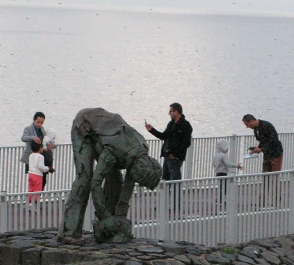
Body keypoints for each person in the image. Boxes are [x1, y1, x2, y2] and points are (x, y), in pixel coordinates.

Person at [58, 108, 162, 243]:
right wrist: (105, 216)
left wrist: (119, 221)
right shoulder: (115, 151)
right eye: (141, 182)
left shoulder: (139, 153)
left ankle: (107, 230)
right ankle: (68, 231)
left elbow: (126, 193)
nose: (139, 184)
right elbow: (96, 183)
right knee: (85, 177)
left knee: (116, 180)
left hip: (105, 136)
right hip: (84, 126)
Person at [145, 102, 193, 181]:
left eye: (170, 111)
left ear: (176, 112)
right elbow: (163, 136)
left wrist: (174, 154)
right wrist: (151, 130)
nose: (169, 113)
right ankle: (167, 193)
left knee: (175, 179)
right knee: (165, 179)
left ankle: (175, 193)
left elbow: (186, 143)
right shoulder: (171, 124)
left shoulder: (185, 125)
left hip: (175, 157)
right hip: (167, 155)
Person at [212, 139, 243, 205]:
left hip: (217, 172)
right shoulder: (223, 155)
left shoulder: (215, 155)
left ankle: (219, 199)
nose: (227, 149)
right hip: (223, 173)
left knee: (220, 186)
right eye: (227, 148)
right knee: (224, 187)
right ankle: (220, 200)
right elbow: (228, 164)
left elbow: (214, 164)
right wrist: (236, 166)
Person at [27, 141, 53, 209]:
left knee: (31, 188)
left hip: (31, 174)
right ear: (40, 148)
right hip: (37, 175)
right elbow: (41, 167)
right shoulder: (40, 156)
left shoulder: (31, 155)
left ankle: (29, 202)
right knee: (37, 190)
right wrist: (47, 168)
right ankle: (34, 203)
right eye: (42, 147)